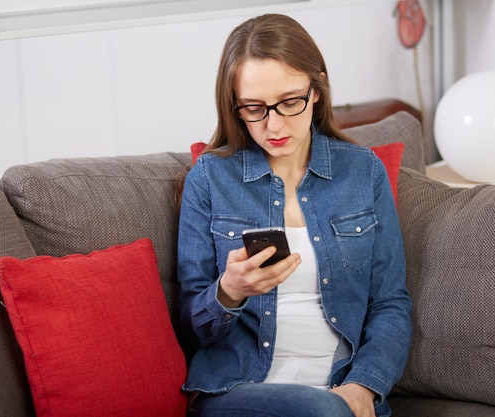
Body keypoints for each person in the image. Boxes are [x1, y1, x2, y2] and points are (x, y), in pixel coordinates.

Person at [177, 13, 412, 417]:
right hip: (240, 390)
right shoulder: (211, 179)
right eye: (254, 108)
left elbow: (390, 303)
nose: (274, 125)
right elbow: (192, 328)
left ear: (316, 89)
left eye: (290, 102)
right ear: (235, 106)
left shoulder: (363, 171)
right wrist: (228, 291)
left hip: (343, 392)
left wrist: (363, 387)